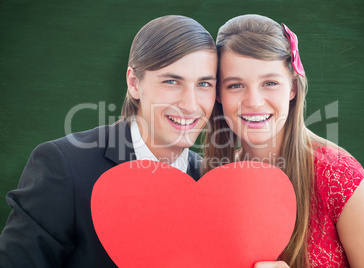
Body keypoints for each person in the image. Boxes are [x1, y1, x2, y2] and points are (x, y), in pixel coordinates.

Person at [0, 15, 217, 267]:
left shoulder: (208, 183)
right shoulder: (63, 167)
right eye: (171, 81)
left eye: (203, 84)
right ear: (134, 83)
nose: (190, 105)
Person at [203, 14, 364, 268]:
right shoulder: (214, 180)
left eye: (270, 82)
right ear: (218, 94)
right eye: (235, 85)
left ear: (293, 87)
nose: (254, 101)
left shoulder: (341, 179)